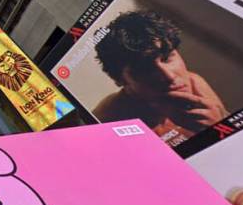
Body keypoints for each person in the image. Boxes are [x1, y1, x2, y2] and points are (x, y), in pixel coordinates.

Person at [93, 10, 227, 146]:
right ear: (119, 79)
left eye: (167, 57)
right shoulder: (108, 124)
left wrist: (218, 127)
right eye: (145, 68)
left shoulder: (194, 83)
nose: (169, 76)